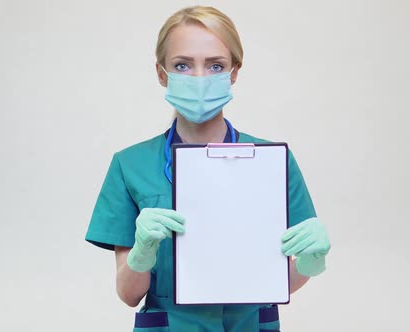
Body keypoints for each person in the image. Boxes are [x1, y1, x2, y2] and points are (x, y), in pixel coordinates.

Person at [85, 6, 331, 331]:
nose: (200, 78)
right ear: (162, 74)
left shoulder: (272, 161)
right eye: (182, 65)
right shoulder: (130, 165)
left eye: (215, 65)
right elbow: (129, 294)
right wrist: (141, 254)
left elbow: (277, 280)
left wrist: (311, 262)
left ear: (234, 73)